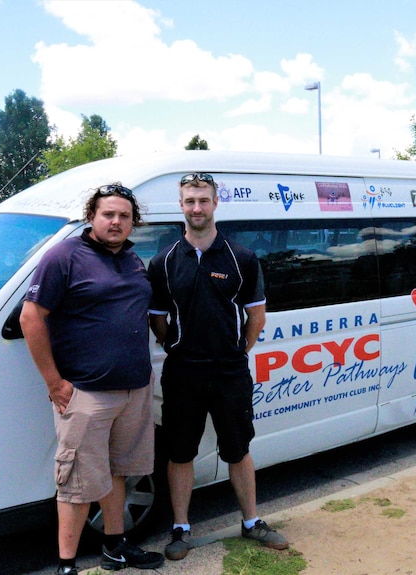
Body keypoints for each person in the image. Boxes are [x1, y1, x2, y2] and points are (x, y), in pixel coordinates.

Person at [20, 183, 164, 575]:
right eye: (108, 214)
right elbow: (30, 318)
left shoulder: (134, 259)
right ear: (92, 217)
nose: (116, 222)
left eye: (124, 216)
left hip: (134, 389)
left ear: (133, 222)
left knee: (118, 472)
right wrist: (54, 383)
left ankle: (115, 549)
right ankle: (67, 566)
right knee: (76, 483)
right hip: (85, 394)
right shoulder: (64, 256)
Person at [148, 172, 288, 561]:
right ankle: (180, 528)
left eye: (203, 200)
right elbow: (158, 322)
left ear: (215, 203)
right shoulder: (163, 263)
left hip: (229, 372)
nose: (197, 208)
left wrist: (237, 351)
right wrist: (177, 346)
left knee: (238, 449)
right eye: (190, 201)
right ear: (180, 206)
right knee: (179, 453)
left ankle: (251, 522)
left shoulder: (241, 257)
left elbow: (256, 318)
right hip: (183, 372)